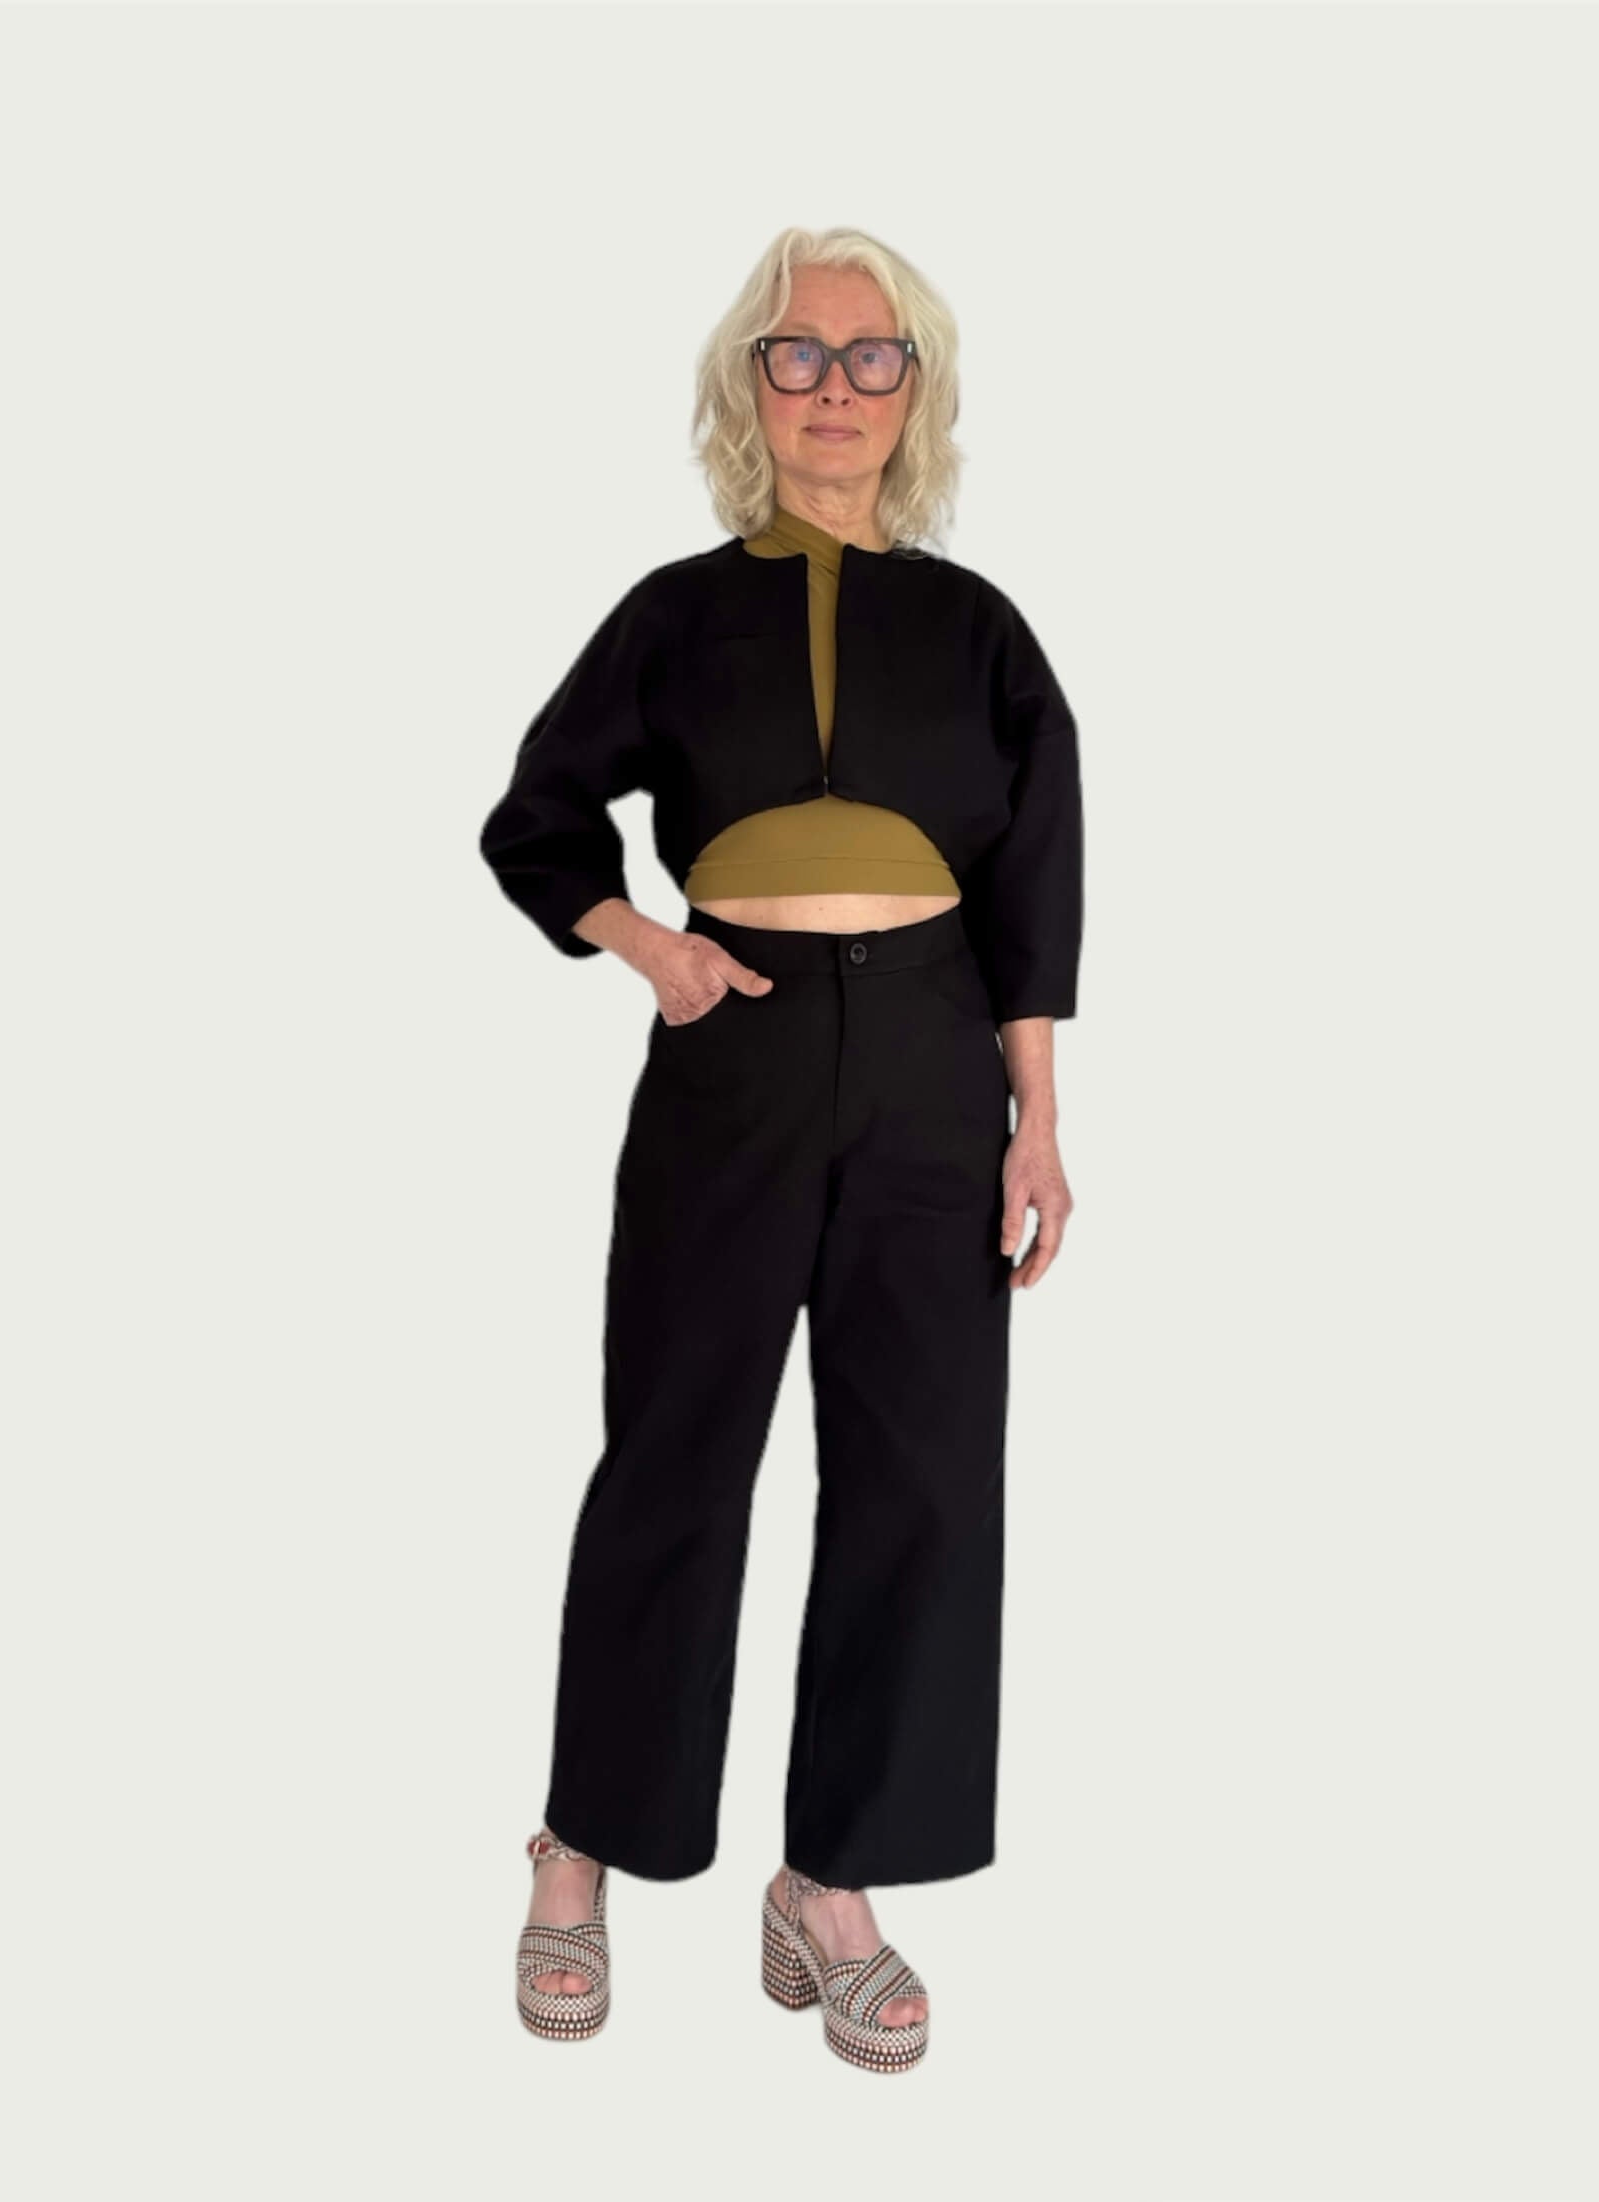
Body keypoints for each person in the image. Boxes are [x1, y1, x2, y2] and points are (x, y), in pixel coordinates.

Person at [480, 226, 1084, 2072]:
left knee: (921, 1474)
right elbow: (536, 816)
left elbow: (1035, 881)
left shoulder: (980, 632)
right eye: (798, 354)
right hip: (730, 1047)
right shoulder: (674, 612)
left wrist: (1039, 1119)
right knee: (677, 1451)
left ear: (919, 389)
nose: (834, 387)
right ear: (751, 385)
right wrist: (645, 945)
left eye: (871, 355)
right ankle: (579, 1847)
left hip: (933, 1061)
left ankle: (832, 1874)